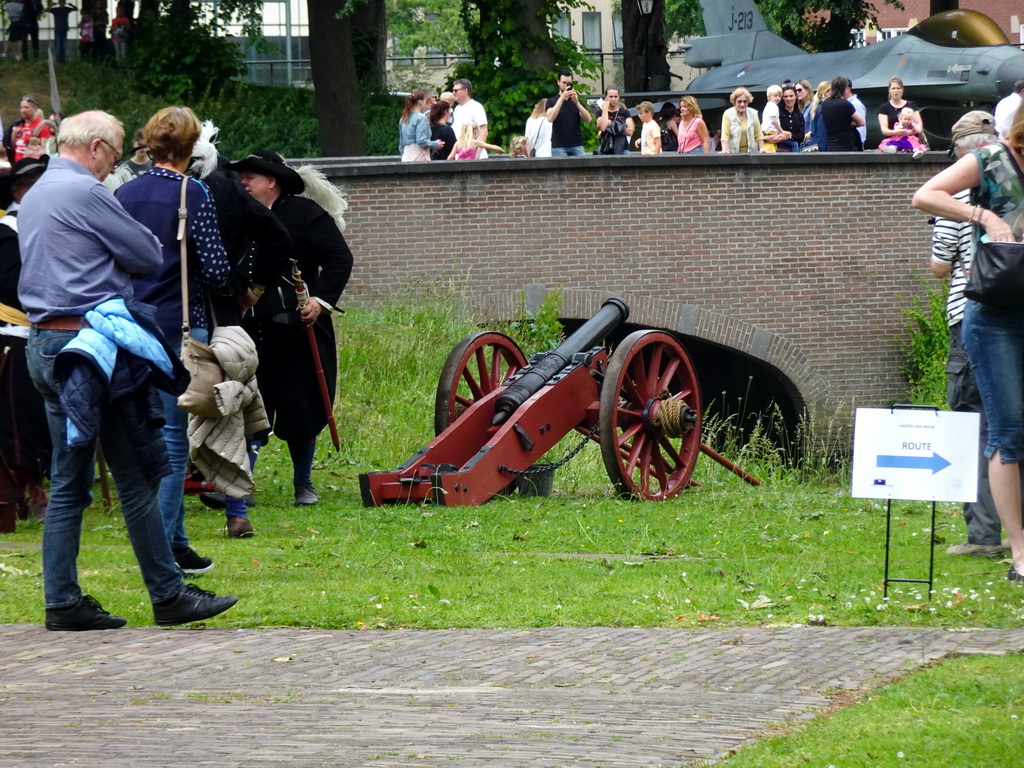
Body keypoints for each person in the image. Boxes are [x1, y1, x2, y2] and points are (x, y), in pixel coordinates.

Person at [18, 110, 238, 629]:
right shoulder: (85, 193)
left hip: (45, 343)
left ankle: (62, 601)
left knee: (69, 484)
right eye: (115, 155)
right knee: (137, 475)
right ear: (95, 146)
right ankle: (168, 595)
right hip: (91, 347)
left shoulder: (37, 194)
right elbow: (146, 252)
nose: (113, 166)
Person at [114, 106, 231, 575]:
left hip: (128, 326)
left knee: (145, 436)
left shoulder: (123, 193)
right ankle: (161, 553)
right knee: (174, 442)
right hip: (179, 328)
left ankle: (177, 542)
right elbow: (218, 269)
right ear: (192, 146)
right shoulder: (194, 192)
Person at [911, 106, 1024, 583]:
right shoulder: (994, 159)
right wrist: (983, 216)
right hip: (994, 313)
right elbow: (925, 195)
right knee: (1007, 431)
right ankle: (1019, 551)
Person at [228, 150, 354, 507]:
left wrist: (320, 301)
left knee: (303, 408)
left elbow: (339, 259)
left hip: (301, 330)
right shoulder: (239, 217)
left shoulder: (306, 214)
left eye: (250, 177)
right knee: (251, 407)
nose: (243, 184)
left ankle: (303, 483)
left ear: (272, 181)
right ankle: (242, 486)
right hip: (251, 331)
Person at [187, 121, 290, 537]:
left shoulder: (140, 189)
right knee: (228, 399)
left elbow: (276, 239)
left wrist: (253, 289)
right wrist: (249, 290)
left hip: (166, 309)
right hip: (216, 307)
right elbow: (275, 237)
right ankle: (234, 508)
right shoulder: (226, 187)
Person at [0, 155, 51, 525]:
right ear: (19, 191)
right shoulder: (7, 231)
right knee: (21, 421)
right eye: (33, 183)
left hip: (56, 331)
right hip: (16, 334)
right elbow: (13, 288)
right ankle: (28, 492)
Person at [545, 70, 592, 157]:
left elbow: (588, 119)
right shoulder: (552, 101)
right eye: (564, 82)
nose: (566, 85)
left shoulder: (576, 101)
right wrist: (561, 99)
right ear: (558, 82)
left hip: (576, 144)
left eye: (569, 83)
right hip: (559, 145)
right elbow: (550, 118)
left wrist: (577, 102)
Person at [2, 97, 53, 163]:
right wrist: (14, 134)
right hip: (17, 163)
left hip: (33, 164)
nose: (23, 110)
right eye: (21, 107)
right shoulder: (18, 124)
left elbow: (45, 149)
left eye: (26, 107)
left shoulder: (42, 125)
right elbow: (12, 147)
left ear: (35, 109)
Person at [820, 76, 864, 152]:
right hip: (847, 145)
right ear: (844, 89)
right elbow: (862, 122)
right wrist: (851, 122)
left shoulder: (825, 104)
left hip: (831, 145)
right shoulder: (845, 104)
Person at [398, 90, 443, 162]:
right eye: (425, 101)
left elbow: (401, 144)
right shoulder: (421, 118)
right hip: (419, 155)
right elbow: (421, 140)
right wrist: (435, 144)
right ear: (420, 102)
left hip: (406, 156)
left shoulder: (404, 118)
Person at [877, 77, 923, 146]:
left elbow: (919, 125)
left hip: (911, 140)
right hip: (893, 140)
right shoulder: (884, 108)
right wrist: (896, 132)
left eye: (898, 88)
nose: (896, 91)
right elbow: (884, 130)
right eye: (893, 88)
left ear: (902, 90)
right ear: (889, 90)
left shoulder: (911, 105)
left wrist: (908, 132)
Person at [451, 79, 490, 157]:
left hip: (473, 156)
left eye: (456, 90)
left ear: (465, 90)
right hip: (461, 154)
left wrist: (477, 154)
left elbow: (483, 131)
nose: (453, 93)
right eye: (453, 90)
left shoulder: (476, 106)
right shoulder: (457, 108)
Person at [720, 88, 765, 154]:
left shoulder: (754, 113)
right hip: (733, 153)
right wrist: (724, 150)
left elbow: (758, 133)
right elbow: (725, 135)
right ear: (734, 102)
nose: (742, 104)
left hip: (751, 153)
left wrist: (762, 148)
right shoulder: (728, 114)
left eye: (745, 101)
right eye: (739, 101)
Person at [594, 86, 632, 156]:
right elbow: (602, 127)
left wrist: (610, 123)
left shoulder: (625, 112)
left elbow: (629, 131)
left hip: (623, 148)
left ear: (619, 97)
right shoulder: (600, 113)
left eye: (615, 96)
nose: (613, 99)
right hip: (605, 148)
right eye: (610, 97)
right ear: (606, 97)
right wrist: (605, 109)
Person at [773, 85, 803, 153]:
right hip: (779, 149)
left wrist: (789, 136)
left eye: (791, 96)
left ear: (795, 96)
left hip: (795, 150)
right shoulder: (777, 113)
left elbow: (801, 136)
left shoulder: (799, 115)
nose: (788, 99)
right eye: (786, 96)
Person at [802, 81, 830, 152]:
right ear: (826, 92)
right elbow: (822, 132)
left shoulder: (816, 107)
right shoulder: (822, 108)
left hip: (814, 144)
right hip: (820, 148)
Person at [760, 84, 783, 152]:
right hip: (771, 132)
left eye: (779, 96)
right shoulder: (773, 106)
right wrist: (781, 131)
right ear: (769, 97)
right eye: (775, 96)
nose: (778, 98)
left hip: (766, 132)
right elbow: (774, 121)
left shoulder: (768, 106)